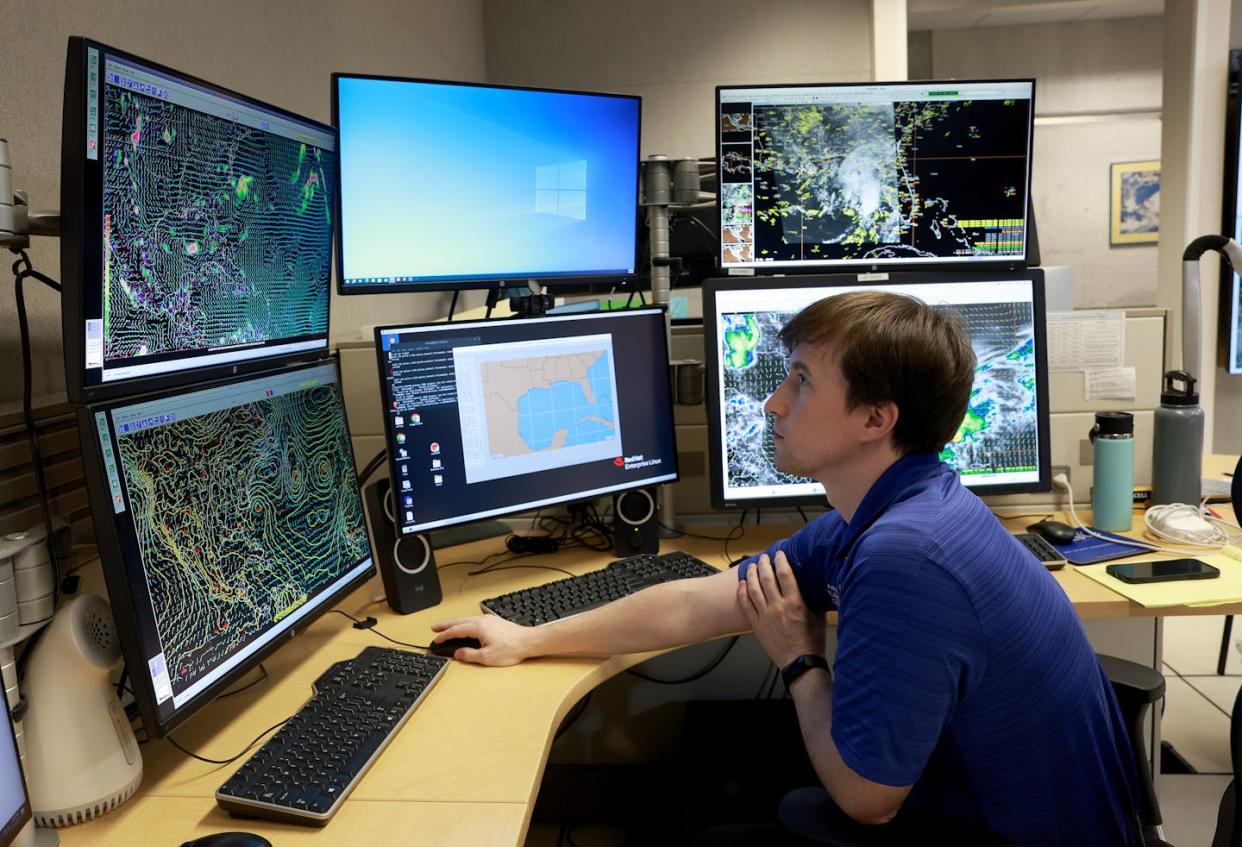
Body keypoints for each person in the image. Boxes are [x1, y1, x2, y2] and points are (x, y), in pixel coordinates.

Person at [432, 291, 1140, 846]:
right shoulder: (895, 507)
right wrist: (527, 637)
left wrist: (800, 661)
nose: (773, 400)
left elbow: (867, 800)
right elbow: (694, 604)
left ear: (875, 419)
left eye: (801, 381)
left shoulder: (906, 556)